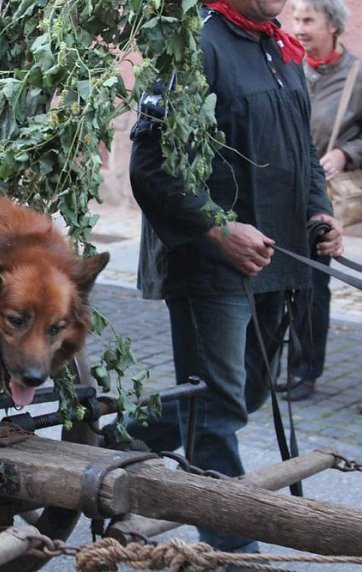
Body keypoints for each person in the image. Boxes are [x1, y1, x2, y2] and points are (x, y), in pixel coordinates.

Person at [126, 0, 343, 556]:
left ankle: (119, 441)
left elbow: (303, 153)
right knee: (214, 408)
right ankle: (231, 548)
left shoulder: (278, 46)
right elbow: (150, 168)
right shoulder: (192, 44)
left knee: (244, 393)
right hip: (213, 266)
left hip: (280, 260)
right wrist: (219, 229)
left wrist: (319, 214)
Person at [285, 0, 362, 401]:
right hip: (281, 194)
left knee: (313, 285)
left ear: (332, 26)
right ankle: (276, 364)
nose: (298, 27)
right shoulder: (288, 66)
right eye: (295, 19)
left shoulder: (357, 76)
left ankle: (305, 370)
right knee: (279, 282)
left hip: (326, 199)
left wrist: (346, 152)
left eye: (308, 20)